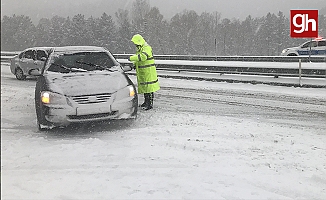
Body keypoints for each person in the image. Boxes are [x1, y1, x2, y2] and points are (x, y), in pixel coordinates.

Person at [128, 34, 160, 110]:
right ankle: (146, 102)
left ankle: (150, 104)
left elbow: (142, 57)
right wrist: (134, 65)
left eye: (135, 43)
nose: (135, 44)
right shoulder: (140, 48)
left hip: (148, 72)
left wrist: (131, 58)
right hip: (144, 72)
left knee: (149, 89)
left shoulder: (146, 48)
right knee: (146, 88)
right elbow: (138, 60)